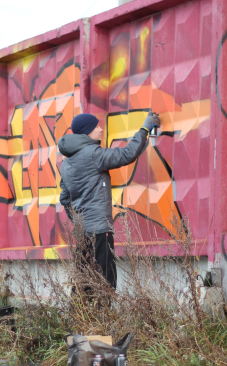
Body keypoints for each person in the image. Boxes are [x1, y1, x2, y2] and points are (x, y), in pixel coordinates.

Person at [58, 112, 159, 290]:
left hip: (82, 232)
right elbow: (127, 154)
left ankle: (80, 317)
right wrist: (144, 129)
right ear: (87, 132)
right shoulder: (93, 154)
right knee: (106, 281)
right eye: (96, 126)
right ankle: (104, 316)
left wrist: (77, 222)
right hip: (99, 230)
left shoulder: (66, 163)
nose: (101, 129)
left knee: (84, 280)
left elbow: (65, 198)